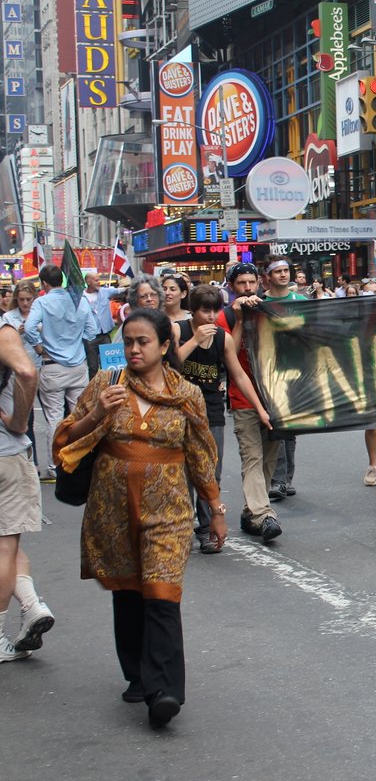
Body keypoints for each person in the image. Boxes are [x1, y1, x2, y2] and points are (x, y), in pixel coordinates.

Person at [54, 308, 223, 728]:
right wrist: (98, 415)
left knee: (162, 592)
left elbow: (202, 456)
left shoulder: (187, 394)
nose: (133, 349)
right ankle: (136, 674)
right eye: (128, 341)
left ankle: (164, 690)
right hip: (112, 507)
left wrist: (215, 509)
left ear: (165, 346)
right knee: (128, 590)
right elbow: (66, 437)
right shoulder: (105, 384)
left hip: (168, 510)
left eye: (143, 341)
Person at [174, 283, 271, 554]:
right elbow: (169, 364)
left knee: (209, 473)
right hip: (180, 410)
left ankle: (205, 529)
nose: (210, 317)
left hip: (211, 410)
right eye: (205, 311)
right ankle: (181, 528)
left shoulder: (222, 338)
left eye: (214, 311)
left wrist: (261, 410)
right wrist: (194, 340)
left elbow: (238, 374)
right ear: (192, 311)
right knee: (181, 473)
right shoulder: (178, 331)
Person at [1, 308, 54, 663]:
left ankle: (32, 606)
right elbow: (26, 370)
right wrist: (20, 422)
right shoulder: (3, 330)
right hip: (6, 455)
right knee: (5, 546)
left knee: (7, 543)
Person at [217, 262, 284, 544]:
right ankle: (265, 514)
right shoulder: (225, 318)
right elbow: (227, 356)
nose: (247, 288)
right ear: (232, 287)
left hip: (274, 396)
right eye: (241, 283)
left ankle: (252, 512)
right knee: (252, 456)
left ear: (259, 283)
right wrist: (241, 319)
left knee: (270, 457)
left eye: (251, 282)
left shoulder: (270, 310)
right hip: (242, 398)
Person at [24, 263, 99, 478]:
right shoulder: (79, 300)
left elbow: (29, 328)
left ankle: (54, 466)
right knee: (80, 416)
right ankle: (80, 461)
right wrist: (76, 341)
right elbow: (92, 332)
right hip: (78, 367)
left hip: (52, 366)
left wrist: (38, 345)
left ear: (44, 283)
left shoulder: (42, 302)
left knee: (54, 419)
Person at [260, 260, 307, 502]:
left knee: (291, 425)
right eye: (277, 271)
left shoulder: (301, 302)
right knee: (276, 423)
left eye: (285, 270)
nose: (282, 274)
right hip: (269, 370)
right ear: (267, 276)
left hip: (297, 369)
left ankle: (287, 478)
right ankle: (278, 479)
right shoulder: (259, 302)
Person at [3, 281, 42, 468]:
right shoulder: (8, 320)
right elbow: (25, 373)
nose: (25, 303)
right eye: (21, 300)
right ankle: (31, 461)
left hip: (41, 365)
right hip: (18, 374)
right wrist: (16, 334)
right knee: (27, 417)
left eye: (28, 299)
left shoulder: (39, 314)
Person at [83, 272, 118, 377]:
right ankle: (93, 390)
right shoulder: (81, 297)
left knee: (109, 365)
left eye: (99, 280)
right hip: (90, 339)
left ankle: (109, 386)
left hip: (105, 336)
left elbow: (122, 291)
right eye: (96, 280)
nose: (99, 282)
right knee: (92, 367)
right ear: (88, 282)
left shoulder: (105, 292)